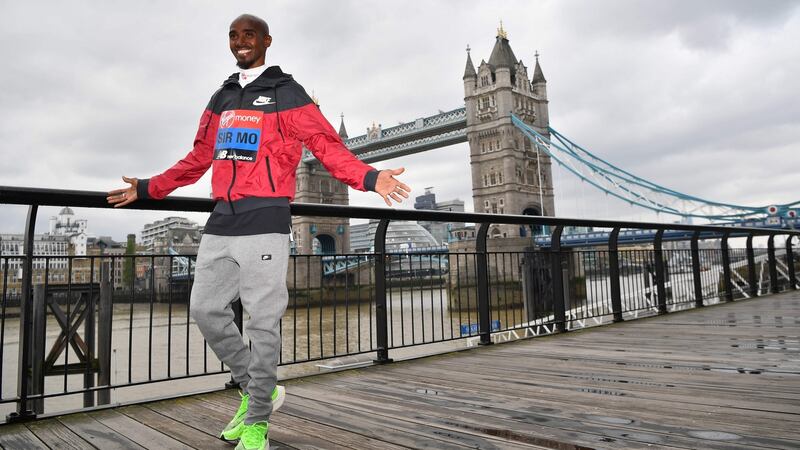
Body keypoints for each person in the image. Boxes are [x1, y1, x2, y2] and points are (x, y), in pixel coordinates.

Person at [108, 13, 410, 450]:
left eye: (248, 34)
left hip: (265, 220)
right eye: (233, 35)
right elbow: (197, 159)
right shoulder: (222, 97)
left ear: (266, 40)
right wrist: (147, 188)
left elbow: (325, 145)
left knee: (262, 326)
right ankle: (259, 390)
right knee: (206, 310)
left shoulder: (287, 93)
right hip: (221, 221)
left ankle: (257, 424)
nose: (240, 41)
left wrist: (368, 177)